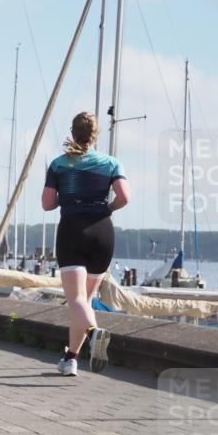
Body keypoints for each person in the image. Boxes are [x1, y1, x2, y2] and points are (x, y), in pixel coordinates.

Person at [42, 112, 130, 376]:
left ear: (72, 132)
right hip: (103, 231)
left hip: (72, 229)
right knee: (85, 301)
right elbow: (124, 197)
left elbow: (47, 204)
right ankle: (71, 358)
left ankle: (94, 334)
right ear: (95, 135)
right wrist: (107, 208)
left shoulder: (59, 165)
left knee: (76, 299)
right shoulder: (112, 163)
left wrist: (66, 198)